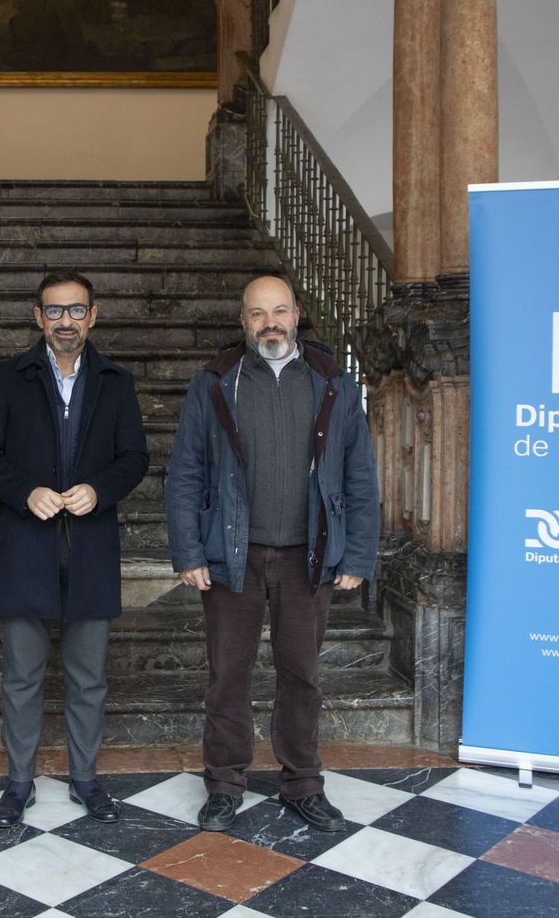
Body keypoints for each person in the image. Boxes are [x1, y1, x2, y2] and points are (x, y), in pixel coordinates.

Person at [165, 274, 379, 833]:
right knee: (228, 676)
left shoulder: (333, 381)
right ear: (243, 320)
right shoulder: (216, 382)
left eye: (279, 311)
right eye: (258, 314)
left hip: (308, 558)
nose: (270, 323)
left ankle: (303, 782)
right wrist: (189, 551)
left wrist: (357, 555)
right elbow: (185, 470)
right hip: (232, 556)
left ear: (298, 314)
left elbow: (360, 474)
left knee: (302, 674)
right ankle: (225, 783)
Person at [0, 271, 149, 827]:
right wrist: (26, 492)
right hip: (27, 549)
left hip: (90, 550)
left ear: (93, 316)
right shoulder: (9, 377)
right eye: (54, 311)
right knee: (21, 677)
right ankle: (18, 783)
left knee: (88, 677)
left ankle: (86, 779)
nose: (65, 321)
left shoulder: (116, 381)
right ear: (37, 317)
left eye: (76, 310)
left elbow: (134, 457)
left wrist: (101, 489)